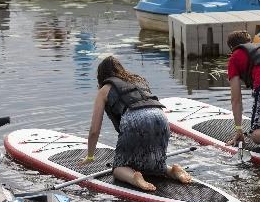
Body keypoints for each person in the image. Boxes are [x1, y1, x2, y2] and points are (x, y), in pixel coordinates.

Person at [82, 56, 192, 191]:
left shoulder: (104, 89)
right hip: (161, 118)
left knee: (118, 169)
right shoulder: (137, 81)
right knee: (153, 165)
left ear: (101, 75)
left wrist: (90, 156)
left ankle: (134, 177)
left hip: (136, 118)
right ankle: (172, 170)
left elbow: (94, 130)